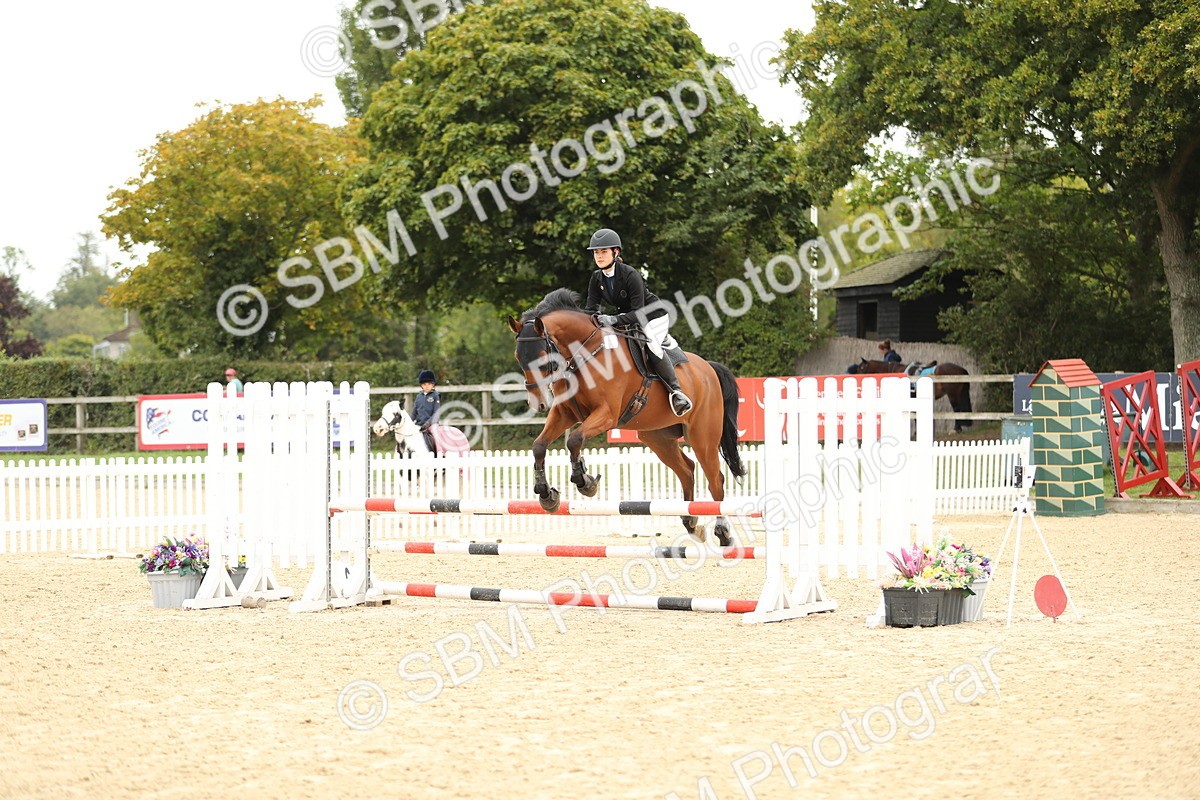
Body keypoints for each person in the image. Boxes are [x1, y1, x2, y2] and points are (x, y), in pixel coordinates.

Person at [582, 228, 693, 416]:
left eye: (603, 252)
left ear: (615, 253)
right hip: (627, 319)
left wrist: (613, 319)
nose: (599, 256)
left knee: (651, 343)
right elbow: (591, 309)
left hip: (652, 316)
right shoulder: (596, 278)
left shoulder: (630, 275)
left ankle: (677, 392)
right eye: (596, 252)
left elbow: (639, 313)